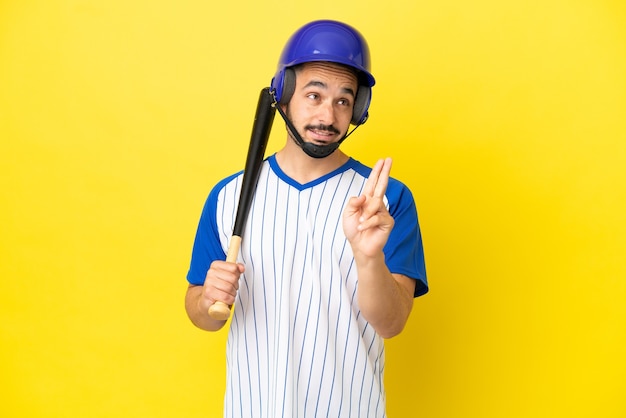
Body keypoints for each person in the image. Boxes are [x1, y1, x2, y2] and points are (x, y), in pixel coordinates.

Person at [185, 19, 428, 418]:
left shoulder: (385, 200)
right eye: (314, 95)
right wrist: (207, 297)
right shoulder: (228, 196)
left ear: (358, 110)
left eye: (343, 101)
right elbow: (201, 313)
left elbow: (392, 323)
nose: (328, 116)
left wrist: (369, 258)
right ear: (283, 97)